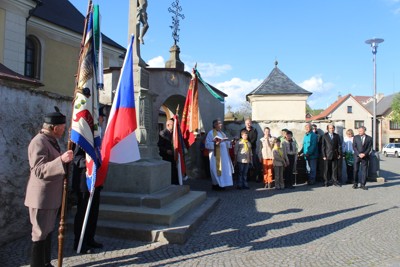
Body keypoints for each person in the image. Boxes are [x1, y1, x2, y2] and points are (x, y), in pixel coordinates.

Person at [24, 108, 73, 267]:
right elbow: (38, 170)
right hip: (41, 198)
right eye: (63, 127)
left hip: (51, 197)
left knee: (47, 232)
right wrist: (61, 160)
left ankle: (46, 263)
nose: (64, 130)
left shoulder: (51, 140)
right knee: (39, 234)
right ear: (54, 127)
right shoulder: (38, 141)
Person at [72, 145, 103, 254]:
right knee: (83, 212)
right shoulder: (81, 135)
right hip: (83, 181)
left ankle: (90, 239)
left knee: (94, 212)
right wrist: (89, 163)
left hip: (95, 180)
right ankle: (80, 243)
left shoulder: (95, 136)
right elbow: (76, 158)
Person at [205, 119, 234, 190]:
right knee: (216, 169)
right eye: (219, 124)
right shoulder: (211, 133)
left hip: (224, 155)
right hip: (215, 156)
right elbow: (207, 144)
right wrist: (215, 143)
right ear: (215, 125)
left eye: (221, 123)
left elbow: (225, 143)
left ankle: (222, 184)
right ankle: (216, 185)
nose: (221, 125)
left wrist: (231, 143)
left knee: (224, 170)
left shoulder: (222, 133)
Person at [158, 119, 179, 185]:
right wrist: (166, 151)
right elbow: (159, 146)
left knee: (174, 171)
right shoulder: (163, 133)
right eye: (173, 125)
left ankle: (175, 184)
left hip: (173, 155)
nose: (174, 126)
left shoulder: (174, 133)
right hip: (165, 156)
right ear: (168, 125)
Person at [352, 126, 372, 190]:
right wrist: (358, 154)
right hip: (357, 156)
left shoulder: (369, 138)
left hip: (365, 157)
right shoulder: (355, 137)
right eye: (359, 131)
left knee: (364, 171)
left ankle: (363, 184)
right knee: (355, 170)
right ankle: (355, 183)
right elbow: (354, 147)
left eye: (360, 131)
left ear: (364, 131)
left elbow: (369, 148)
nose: (359, 132)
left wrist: (364, 154)